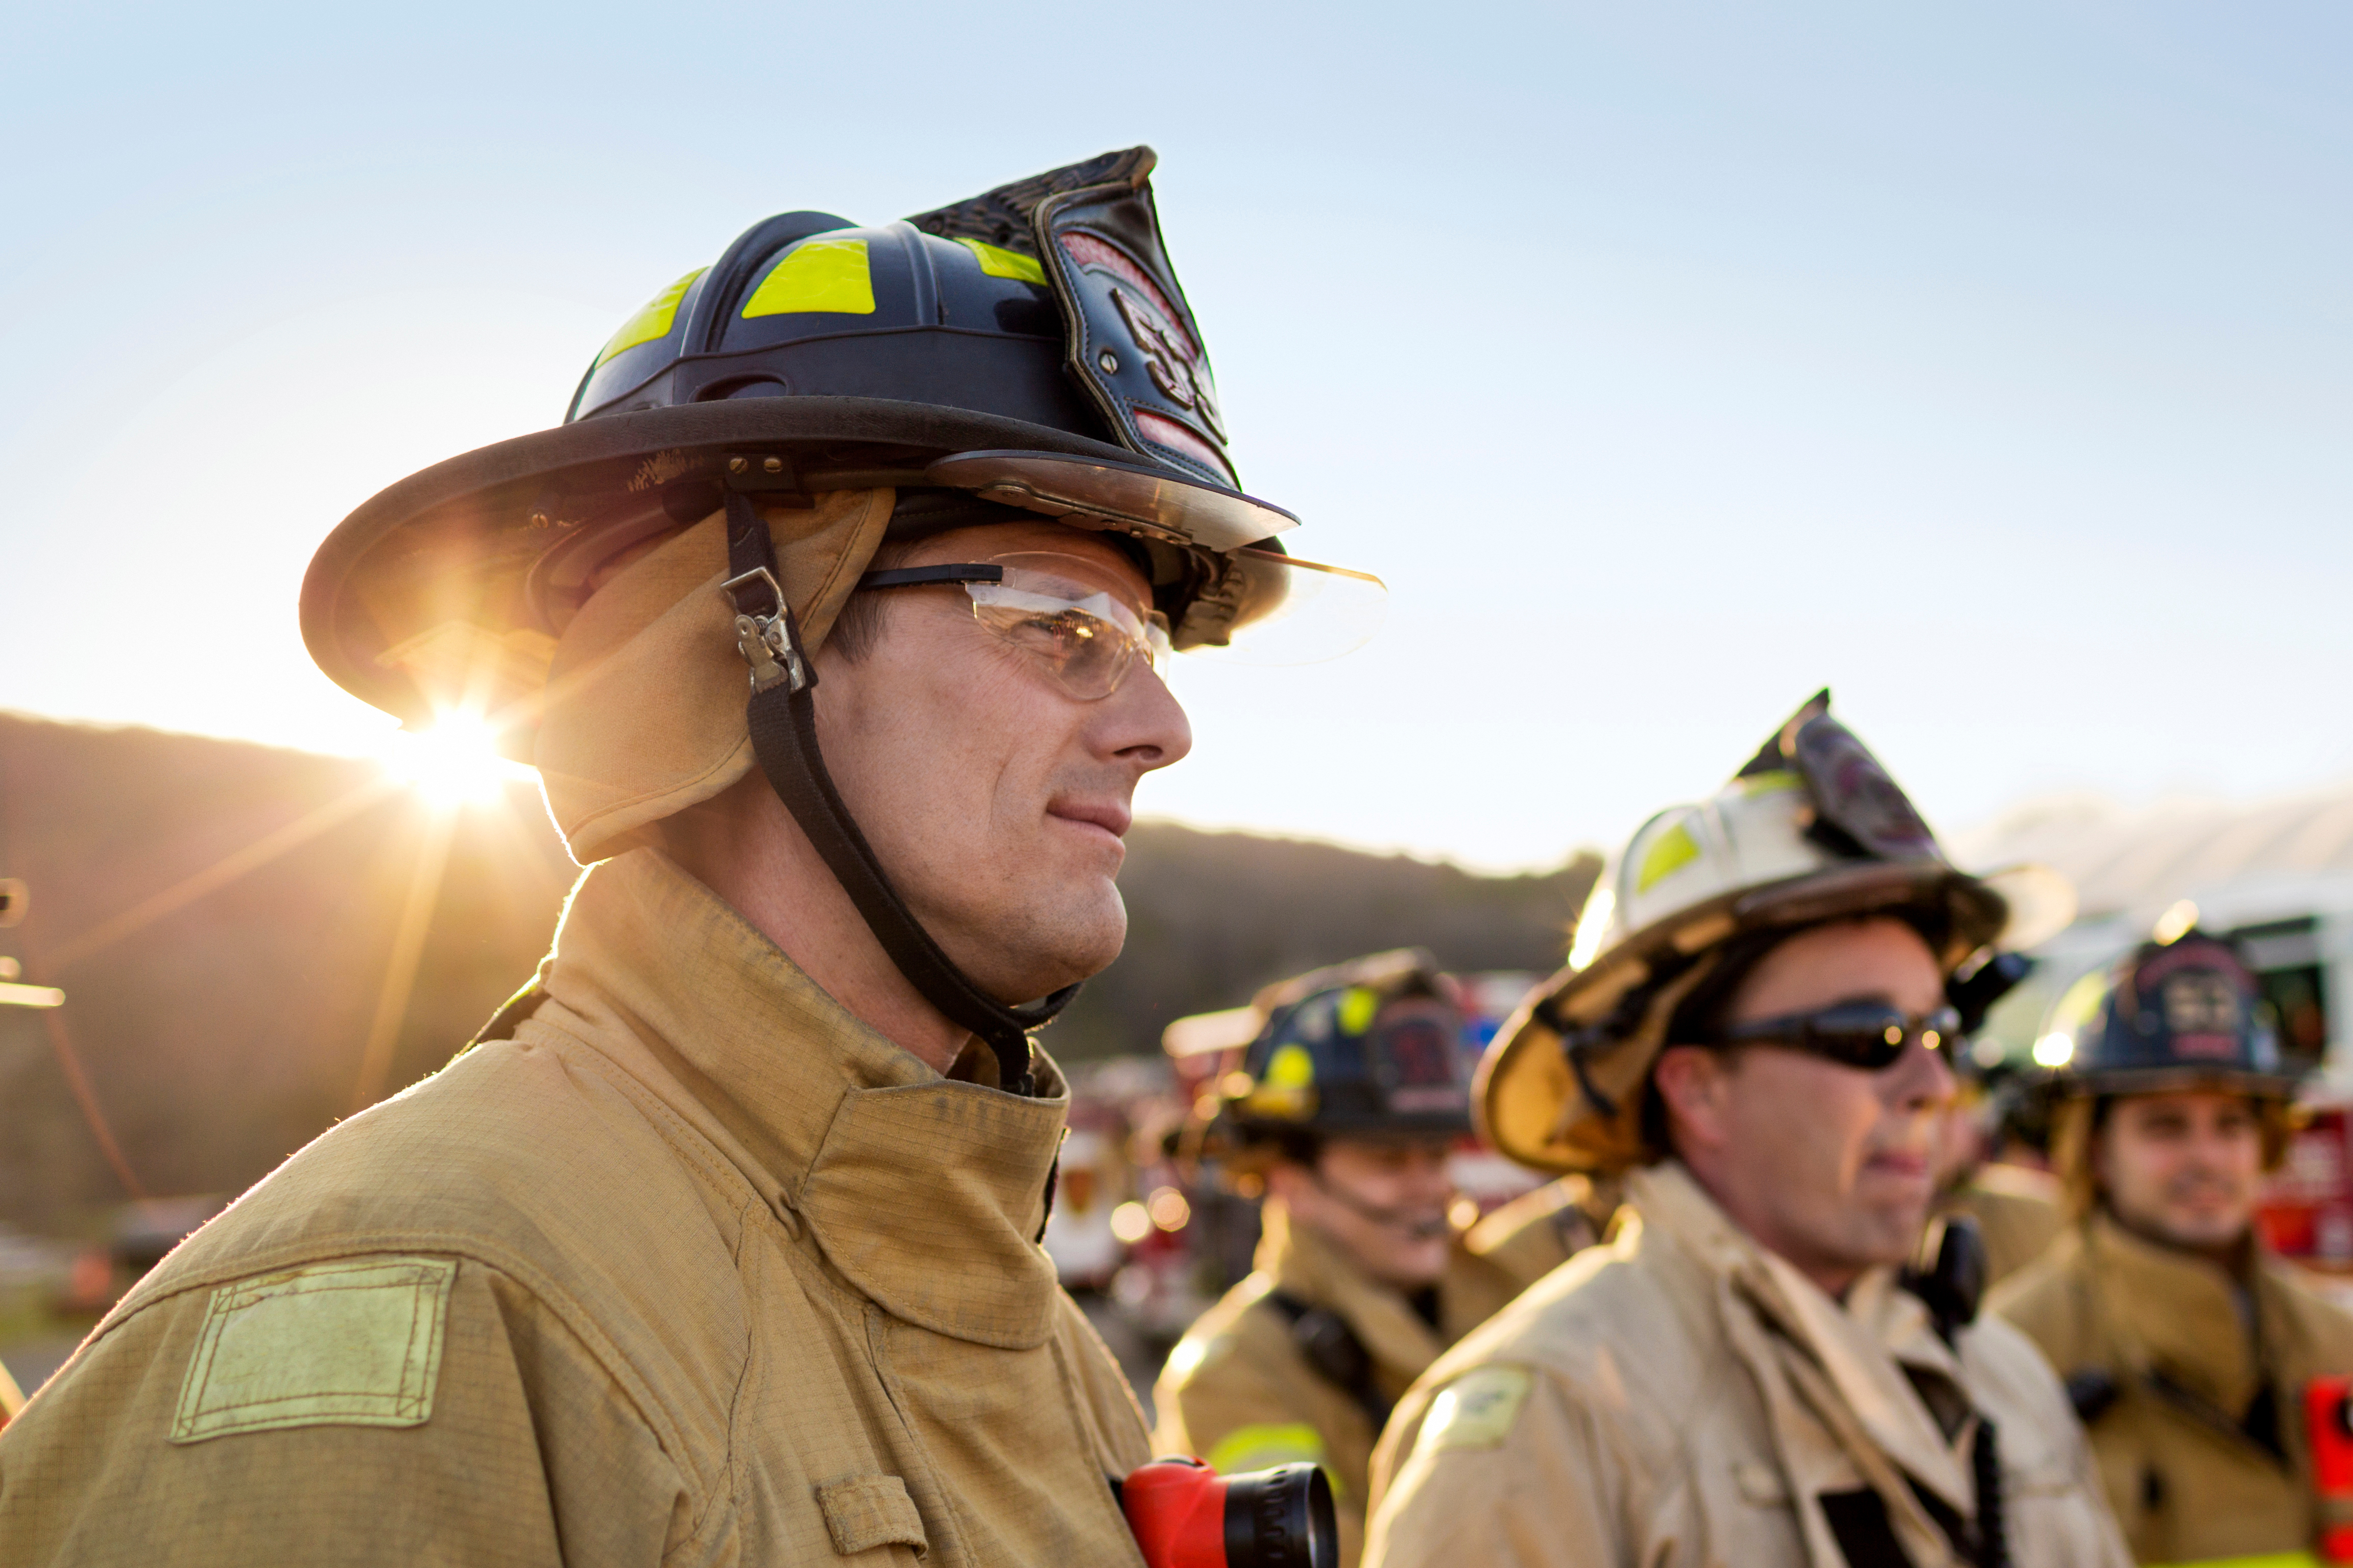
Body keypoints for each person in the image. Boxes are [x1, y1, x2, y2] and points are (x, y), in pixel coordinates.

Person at [0, 148, 1379, 1563]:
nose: (1162, 726)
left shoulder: (1027, 1332)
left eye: (1147, 645)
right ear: (739, 637)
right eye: (1066, 629)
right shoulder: (447, 1306)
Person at [1365, 692, 2130, 1568]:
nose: (1930, 1084)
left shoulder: (2005, 1381)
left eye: (1939, 1035)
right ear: (1697, 1090)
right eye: (1868, 1037)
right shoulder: (1546, 1422)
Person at [1152, 952, 1555, 1567]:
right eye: (1388, 1161)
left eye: (1437, 1154)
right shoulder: (1230, 1374)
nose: (1429, 1187)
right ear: (1291, 1178)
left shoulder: (1504, 1279)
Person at [1989, 928, 2353, 1566]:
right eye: (2166, 1125)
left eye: (2231, 1124)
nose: (2206, 1157)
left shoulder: (2335, 1340)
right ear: (2096, 1150)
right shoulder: (2016, 1354)